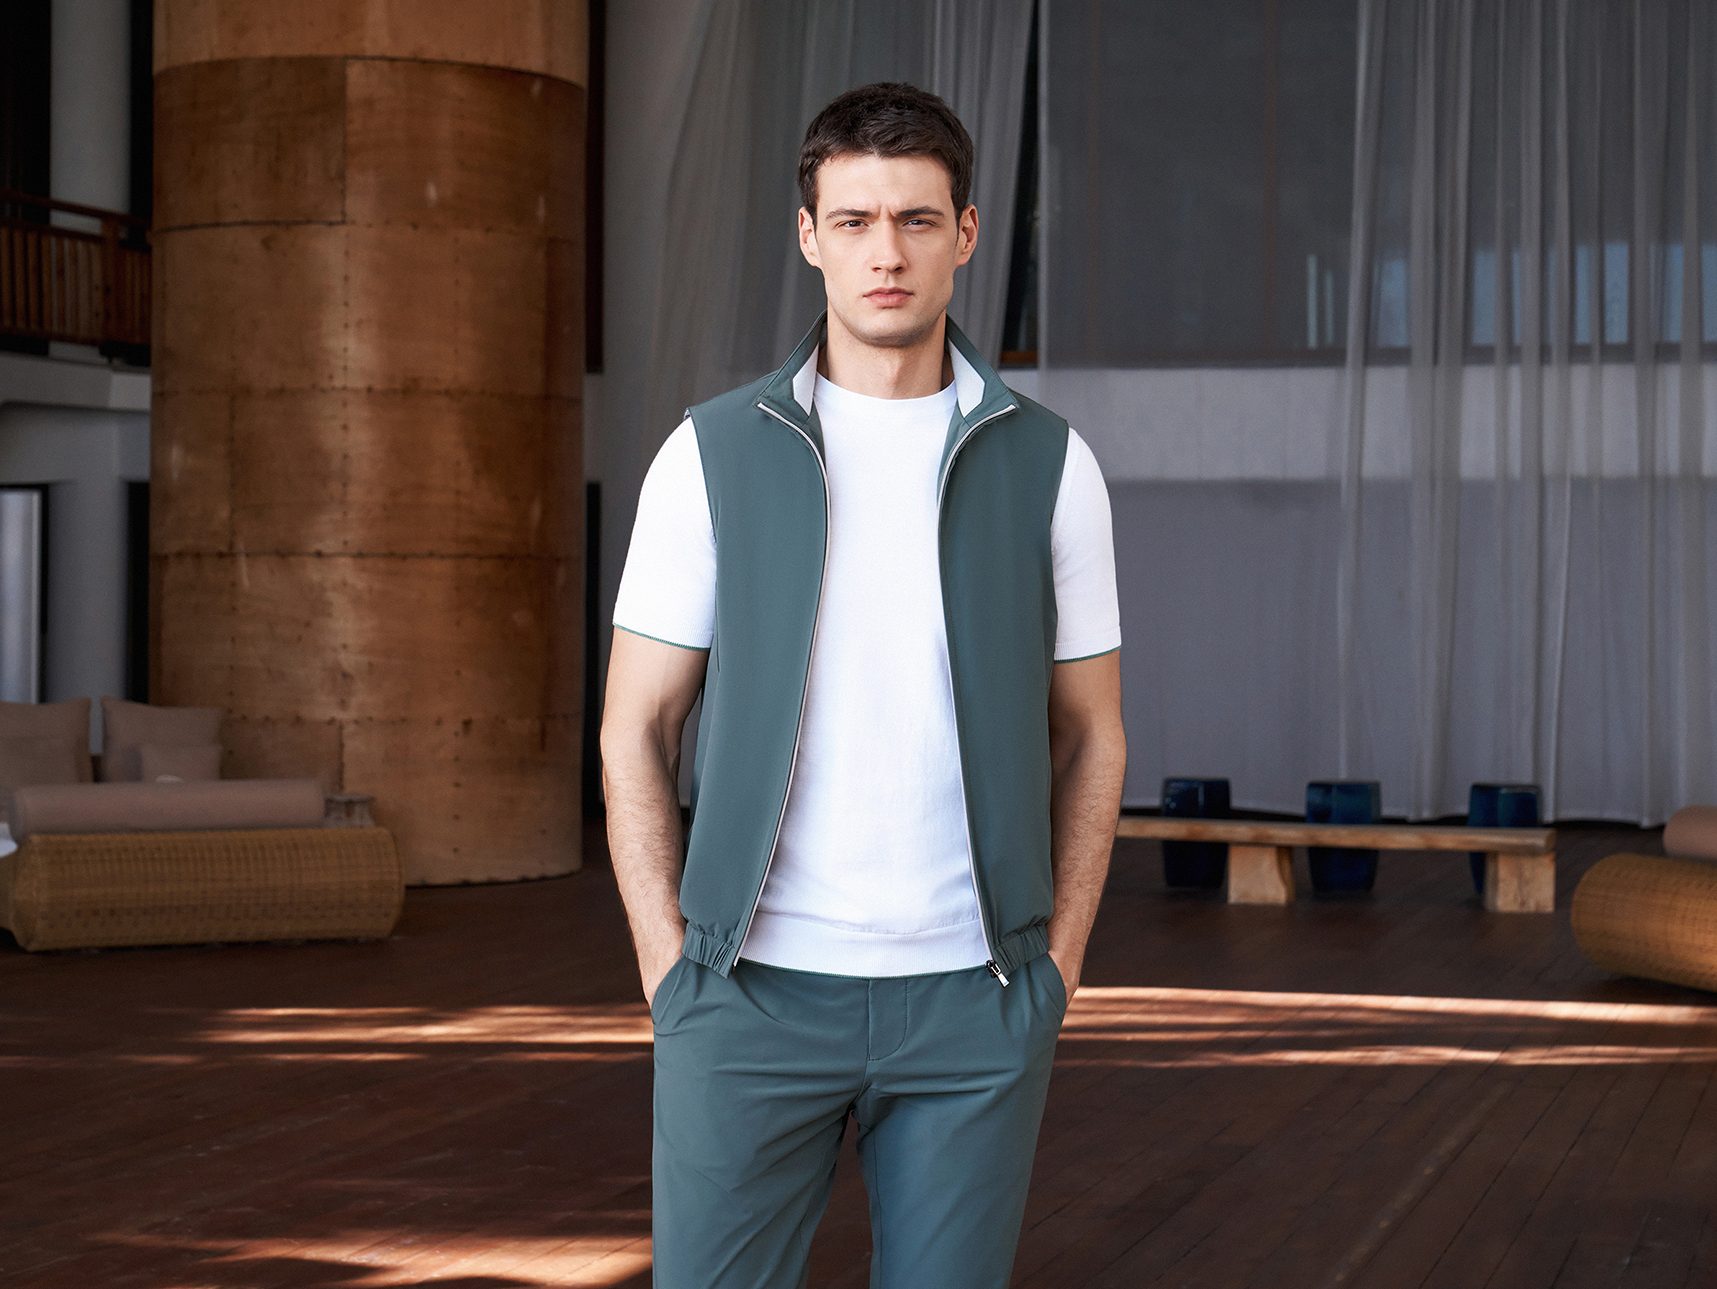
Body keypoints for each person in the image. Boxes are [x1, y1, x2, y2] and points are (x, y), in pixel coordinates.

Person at [599, 80, 1127, 1289]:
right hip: (745, 997)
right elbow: (636, 724)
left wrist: (1055, 967)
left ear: (966, 232)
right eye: (853, 220)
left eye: (916, 219)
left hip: (974, 1002)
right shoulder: (708, 455)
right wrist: (670, 969)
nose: (885, 253)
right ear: (809, 235)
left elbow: (1094, 734)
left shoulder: (1051, 465)